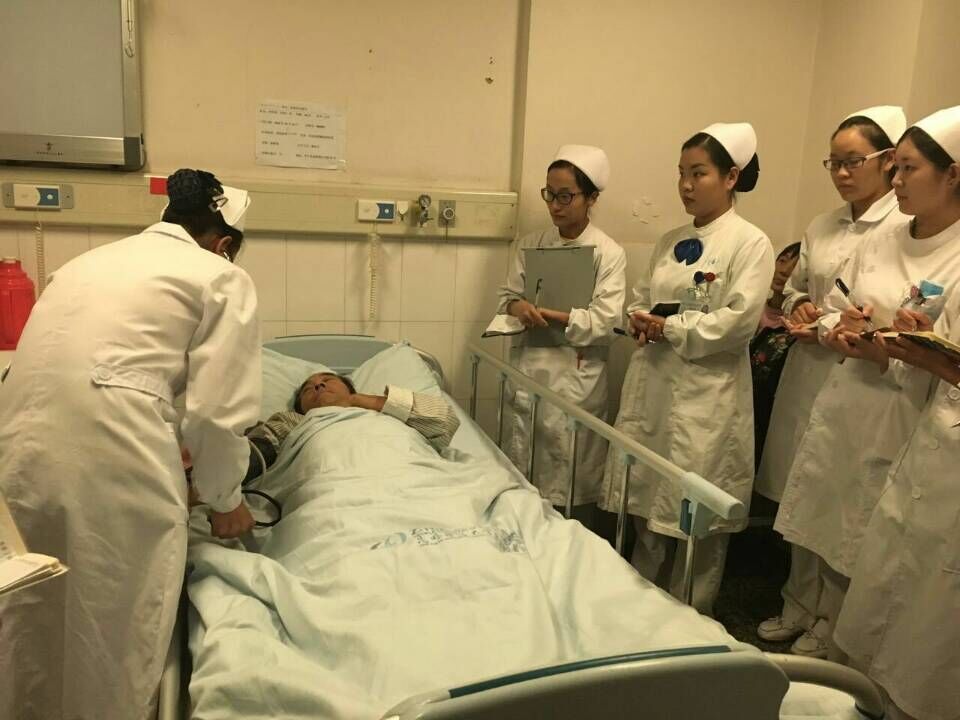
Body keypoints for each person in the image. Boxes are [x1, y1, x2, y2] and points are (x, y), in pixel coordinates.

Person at [0, 169, 261, 720]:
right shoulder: (220, 276)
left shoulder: (86, 263)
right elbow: (217, 415)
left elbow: (120, 368)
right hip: (111, 455)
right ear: (224, 243)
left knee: (30, 611)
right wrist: (226, 500)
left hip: (19, 445)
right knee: (110, 626)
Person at [774, 105, 960, 662]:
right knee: (824, 510)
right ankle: (807, 612)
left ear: (952, 175)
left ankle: (839, 636)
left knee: (864, 531)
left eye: (908, 169)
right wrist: (841, 326)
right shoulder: (885, 237)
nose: (895, 181)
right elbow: (839, 303)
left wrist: (894, 351)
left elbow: (948, 357)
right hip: (847, 394)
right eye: (895, 167)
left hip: (901, 414)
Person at [600, 122, 774, 615]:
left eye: (699, 173)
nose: (686, 185)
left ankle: (692, 618)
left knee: (697, 515)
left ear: (731, 177)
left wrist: (671, 328)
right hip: (653, 386)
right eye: (681, 173)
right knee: (647, 502)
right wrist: (638, 320)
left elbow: (739, 322)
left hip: (707, 397)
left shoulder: (750, 243)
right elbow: (642, 298)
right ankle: (640, 609)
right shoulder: (669, 240)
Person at [754, 106, 908, 657]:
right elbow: (796, 286)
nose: (841, 173)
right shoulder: (822, 224)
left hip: (858, 379)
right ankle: (797, 602)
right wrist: (799, 305)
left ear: (888, 160)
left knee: (841, 503)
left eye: (853, 161)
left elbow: (872, 310)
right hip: (808, 372)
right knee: (802, 492)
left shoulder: (900, 227)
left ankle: (830, 619)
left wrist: (823, 320)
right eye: (834, 163)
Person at [828, 292, 960, 720]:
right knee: (882, 611)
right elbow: (932, 380)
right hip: (925, 460)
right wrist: (919, 345)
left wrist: (948, 369)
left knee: (929, 647)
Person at [497, 145, 626, 526]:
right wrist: (518, 307)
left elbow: (608, 320)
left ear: (592, 198)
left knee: (571, 472)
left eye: (566, 196)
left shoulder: (608, 252)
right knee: (525, 466)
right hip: (530, 371)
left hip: (576, 377)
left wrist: (558, 316)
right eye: (550, 194)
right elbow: (507, 297)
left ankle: (573, 541)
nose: (555, 205)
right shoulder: (530, 244)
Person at [242, 372, 462, 478]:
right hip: (334, 484)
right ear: (300, 407)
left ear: (351, 389)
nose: (318, 386)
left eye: (328, 380)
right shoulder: (295, 421)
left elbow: (445, 421)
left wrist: (357, 401)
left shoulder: (391, 411)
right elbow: (255, 453)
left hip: (411, 474)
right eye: (308, 389)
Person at [750, 241, 800, 468]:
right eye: (782, 261)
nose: (784, 271)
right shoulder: (752, 307)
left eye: (795, 266)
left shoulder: (797, 327)